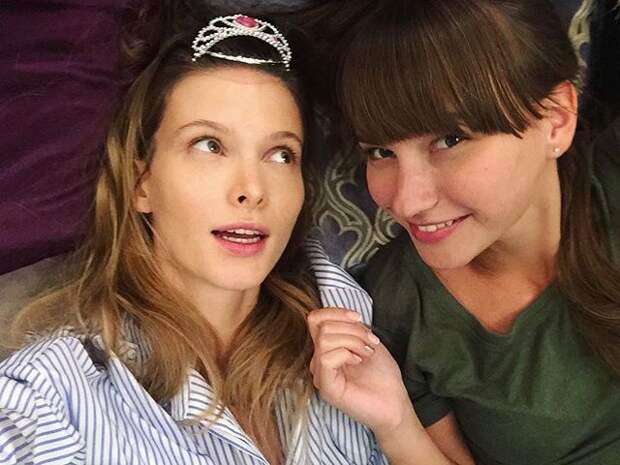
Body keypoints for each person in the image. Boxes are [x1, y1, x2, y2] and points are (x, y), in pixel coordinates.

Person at [0, 12, 393, 465]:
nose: (252, 189)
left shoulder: (352, 332)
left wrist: (395, 427)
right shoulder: (52, 399)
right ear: (141, 183)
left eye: (281, 154)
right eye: (209, 145)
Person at [300, 0, 620, 464]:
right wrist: (396, 424)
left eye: (450, 140)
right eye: (379, 152)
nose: (406, 202)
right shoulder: (397, 307)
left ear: (555, 120)